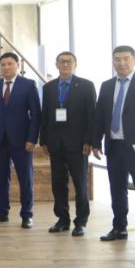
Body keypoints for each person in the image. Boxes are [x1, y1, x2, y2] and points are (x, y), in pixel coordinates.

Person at [91, 45, 135, 249]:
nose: (121, 63)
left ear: (134, 60)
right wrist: (96, 142)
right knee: (117, 190)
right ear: (113, 62)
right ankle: (119, 228)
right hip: (114, 146)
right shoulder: (106, 86)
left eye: (125, 59)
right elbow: (99, 116)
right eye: (117, 59)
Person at [38, 52, 96, 236]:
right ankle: (62, 219)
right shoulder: (48, 87)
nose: (65, 65)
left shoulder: (86, 86)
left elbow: (92, 115)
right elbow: (45, 115)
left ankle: (81, 222)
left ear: (75, 64)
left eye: (69, 62)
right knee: (58, 183)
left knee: (80, 183)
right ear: (56, 65)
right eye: (62, 62)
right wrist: (43, 140)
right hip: (55, 143)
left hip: (78, 144)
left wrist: (89, 140)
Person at [0, 52, 41, 229]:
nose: (6, 67)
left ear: (17, 65)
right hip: (0, 140)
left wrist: (32, 139)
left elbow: (36, 114)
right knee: (1, 178)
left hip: (22, 141)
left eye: (10, 64)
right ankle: (2, 212)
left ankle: (27, 215)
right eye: (3, 64)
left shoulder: (28, 85)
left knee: (25, 179)